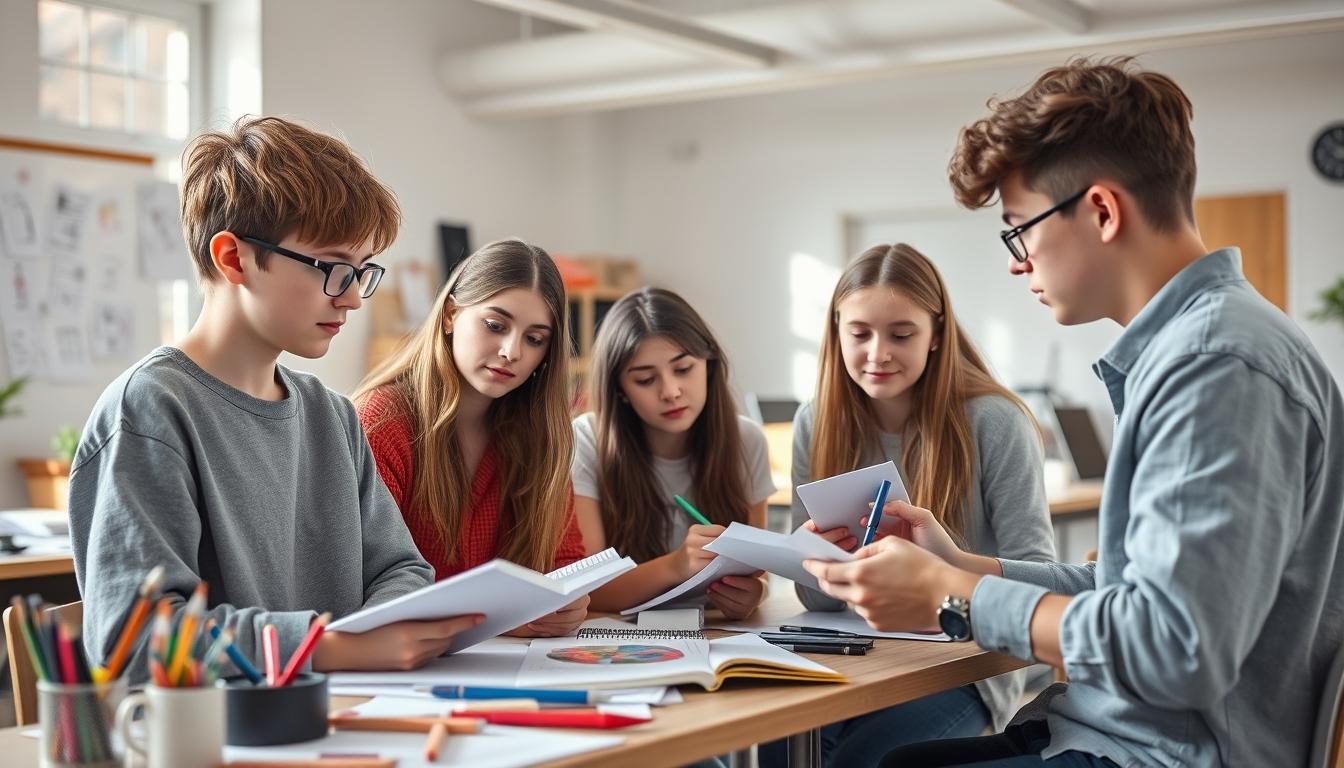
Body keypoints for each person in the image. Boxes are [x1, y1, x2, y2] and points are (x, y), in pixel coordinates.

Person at [805, 57, 1344, 768]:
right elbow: (1131, 591)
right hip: (1112, 736)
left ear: (1100, 210)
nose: (1016, 262)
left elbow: (1175, 648)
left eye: (1018, 228)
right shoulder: (1195, 348)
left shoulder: (1216, 364)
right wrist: (962, 564)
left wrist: (954, 595)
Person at [70, 116, 473, 682]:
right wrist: (328, 647)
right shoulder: (149, 410)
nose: (353, 298)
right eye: (334, 269)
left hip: (344, 718)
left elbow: (400, 567)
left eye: (362, 272)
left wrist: (381, 631)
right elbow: (137, 641)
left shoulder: (331, 416)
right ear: (234, 258)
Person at [759, 243, 1055, 767]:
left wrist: (944, 573)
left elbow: (1040, 577)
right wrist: (816, 564)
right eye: (859, 334)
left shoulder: (995, 420)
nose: (878, 353)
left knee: (858, 760)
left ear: (936, 334)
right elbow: (818, 603)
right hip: (858, 657)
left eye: (901, 334)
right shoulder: (816, 420)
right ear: (835, 332)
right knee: (781, 748)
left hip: (962, 664)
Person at [354, 239, 587, 637]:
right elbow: (364, 582)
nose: (512, 351)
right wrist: (498, 615)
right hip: (401, 671)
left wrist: (568, 601)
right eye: (495, 326)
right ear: (450, 315)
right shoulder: (382, 420)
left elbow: (563, 561)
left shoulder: (540, 433)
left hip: (508, 665)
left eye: (535, 339)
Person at [572, 288, 775, 618]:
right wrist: (676, 565)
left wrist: (755, 594)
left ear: (708, 365)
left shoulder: (746, 439)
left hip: (716, 636)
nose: (670, 392)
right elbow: (586, 590)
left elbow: (760, 572)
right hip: (621, 640)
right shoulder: (587, 440)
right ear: (619, 389)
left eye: (683, 369)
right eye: (645, 379)